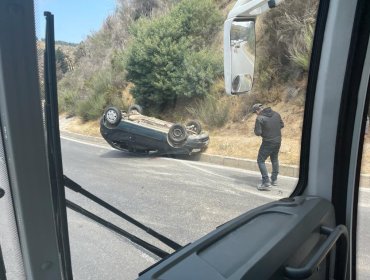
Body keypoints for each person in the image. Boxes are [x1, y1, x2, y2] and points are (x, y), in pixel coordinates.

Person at [252, 103, 284, 190]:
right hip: (278, 140)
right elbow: (282, 125)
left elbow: (258, 133)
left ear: (258, 110)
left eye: (255, 112)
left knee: (260, 160)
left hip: (268, 142)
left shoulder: (260, 118)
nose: (256, 114)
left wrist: (261, 130)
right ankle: (274, 180)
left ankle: (266, 182)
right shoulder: (276, 114)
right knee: (274, 159)